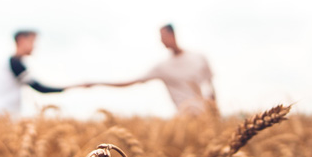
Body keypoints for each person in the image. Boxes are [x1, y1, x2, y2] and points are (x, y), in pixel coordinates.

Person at [88, 24, 217, 115]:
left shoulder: (199, 57)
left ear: (172, 34)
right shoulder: (162, 67)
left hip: (206, 117)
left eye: (162, 36)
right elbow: (131, 81)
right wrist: (97, 83)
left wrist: (215, 110)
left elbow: (210, 86)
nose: (161, 40)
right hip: (185, 120)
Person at [0, 30, 72, 117]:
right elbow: (39, 87)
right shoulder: (15, 64)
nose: (35, 46)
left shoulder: (12, 63)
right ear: (21, 40)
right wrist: (72, 87)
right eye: (32, 41)